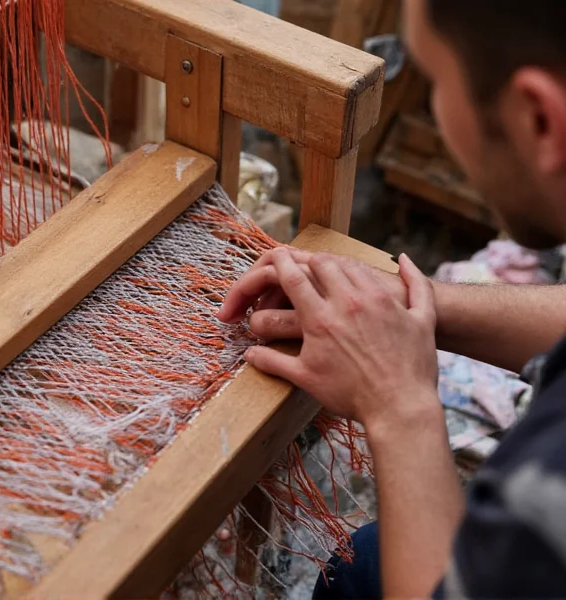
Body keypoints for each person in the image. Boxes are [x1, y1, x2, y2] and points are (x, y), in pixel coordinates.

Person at [217, 1, 566, 597]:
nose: (433, 105)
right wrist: (417, 303)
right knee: (363, 562)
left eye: (432, 81)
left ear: (539, 120)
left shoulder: (549, 474)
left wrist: (400, 405)